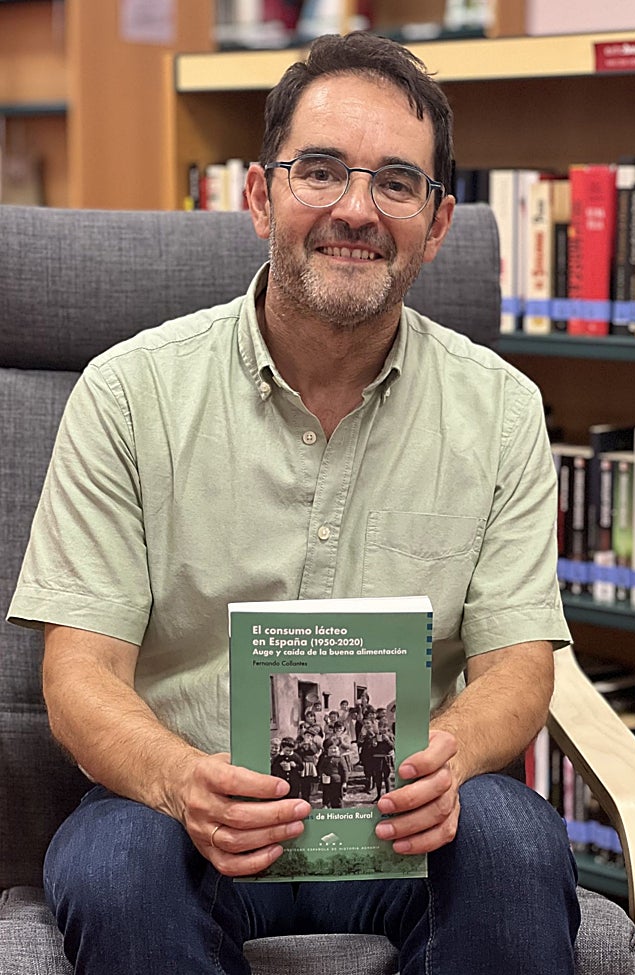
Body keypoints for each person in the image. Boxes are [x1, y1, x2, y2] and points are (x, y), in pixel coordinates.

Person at [7, 30, 579, 975]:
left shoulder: (502, 409)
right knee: (113, 865)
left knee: (517, 843)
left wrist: (451, 751)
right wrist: (181, 780)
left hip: (404, 821)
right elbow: (78, 674)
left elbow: (518, 665)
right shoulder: (125, 393)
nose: (357, 208)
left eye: (397, 183)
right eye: (320, 171)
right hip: (178, 814)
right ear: (258, 195)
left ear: (436, 226)